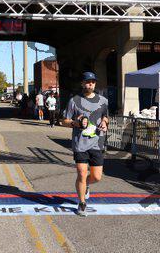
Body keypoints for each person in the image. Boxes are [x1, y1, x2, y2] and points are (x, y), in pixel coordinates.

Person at [62, 71, 109, 217]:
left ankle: (87, 184)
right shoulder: (74, 101)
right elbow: (64, 121)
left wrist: (104, 123)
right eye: (88, 82)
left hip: (97, 143)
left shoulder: (103, 101)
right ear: (82, 83)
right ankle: (82, 203)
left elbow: (105, 116)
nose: (91, 84)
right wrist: (76, 123)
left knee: (97, 177)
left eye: (93, 82)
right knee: (82, 173)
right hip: (80, 144)